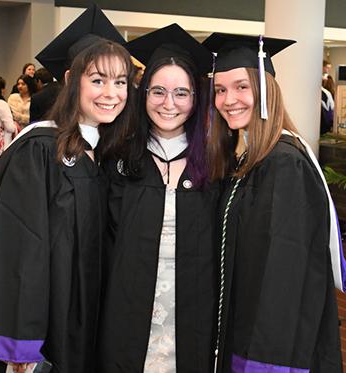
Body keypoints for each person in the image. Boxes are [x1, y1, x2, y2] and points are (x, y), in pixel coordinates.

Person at [0, 5, 135, 373]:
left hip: (80, 321)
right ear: (70, 78)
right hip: (42, 332)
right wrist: (22, 348)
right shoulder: (40, 151)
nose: (111, 93)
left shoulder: (102, 153)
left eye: (121, 81)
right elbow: (16, 255)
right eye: (97, 80)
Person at [203, 33, 346, 372]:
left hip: (271, 346)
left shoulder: (284, 164)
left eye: (242, 86)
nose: (229, 99)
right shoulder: (246, 159)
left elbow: (283, 272)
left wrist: (261, 360)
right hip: (245, 327)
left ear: (266, 89)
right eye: (221, 90)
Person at [97, 24, 218, 372]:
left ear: (196, 100)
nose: (169, 104)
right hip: (125, 310)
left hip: (194, 313)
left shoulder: (215, 166)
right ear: (143, 93)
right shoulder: (116, 160)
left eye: (182, 92)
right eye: (158, 91)